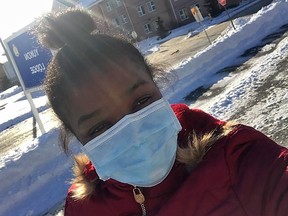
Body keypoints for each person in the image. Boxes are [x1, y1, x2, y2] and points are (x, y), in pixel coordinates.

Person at [35, 8, 288, 216]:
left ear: (158, 90)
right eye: (100, 127)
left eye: (141, 101)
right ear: (78, 138)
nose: (135, 135)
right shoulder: (82, 208)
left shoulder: (237, 158)